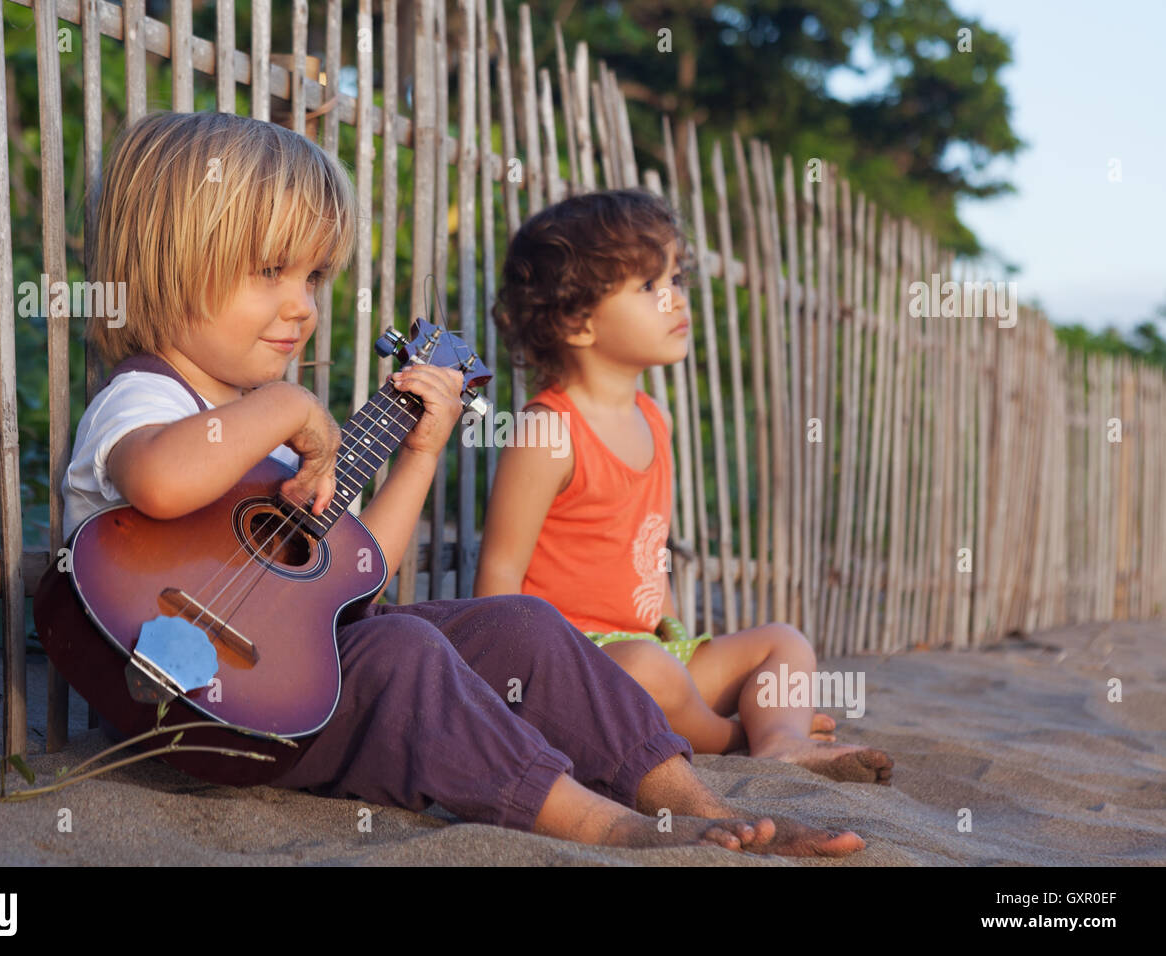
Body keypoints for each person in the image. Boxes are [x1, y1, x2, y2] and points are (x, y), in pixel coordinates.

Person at [58, 110, 866, 855]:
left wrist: (420, 452)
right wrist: (287, 405)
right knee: (403, 648)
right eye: (271, 270)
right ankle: (607, 826)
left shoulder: (264, 434)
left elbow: (353, 569)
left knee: (522, 623)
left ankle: (695, 802)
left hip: (290, 680)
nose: (302, 307)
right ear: (168, 264)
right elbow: (162, 483)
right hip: (197, 705)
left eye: (314, 278)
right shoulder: (150, 395)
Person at [475, 188, 893, 784]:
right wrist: (507, 693)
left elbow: (647, 551)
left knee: (784, 642)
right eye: (648, 286)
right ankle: (737, 734)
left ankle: (780, 741)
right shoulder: (548, 431)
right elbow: (498, 577)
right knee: (649, 672)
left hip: (653, 648)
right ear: (576, 321)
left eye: (675, 275)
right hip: (576, 668)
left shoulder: (655, 419)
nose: (675, 297)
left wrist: (679, 636)